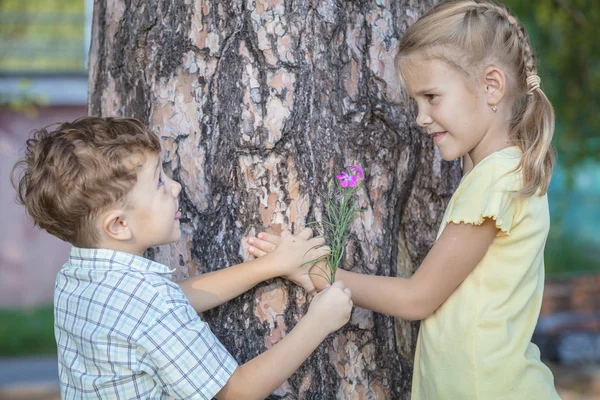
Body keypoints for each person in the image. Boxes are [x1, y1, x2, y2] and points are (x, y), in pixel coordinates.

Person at [247, 0, 561, 398]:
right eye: (415, 102)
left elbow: (417, 298)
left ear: (491, 85)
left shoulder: (495, 180)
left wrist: (320, 274)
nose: (420, 117)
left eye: (432, 97)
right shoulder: (498, 171)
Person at [11, 116, 353, 399]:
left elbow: (176, 299)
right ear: (118, 224)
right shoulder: (149, 302)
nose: (175, 187)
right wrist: (318, 321)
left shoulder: (75, 277)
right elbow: (235, 392)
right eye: (159, 182)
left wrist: (270, 265)